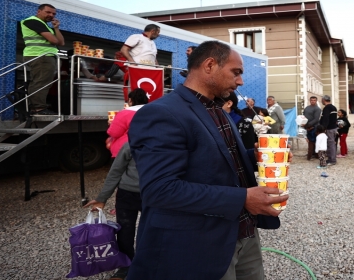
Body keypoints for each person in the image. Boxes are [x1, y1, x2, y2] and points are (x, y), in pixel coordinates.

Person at [126, 40, 287, 280]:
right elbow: (159, 190)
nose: (240, 81)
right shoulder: (162, 112)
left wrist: (263, 157)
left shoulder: (218, 110)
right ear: (210, 65)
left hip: (243, 232)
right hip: (200, 243)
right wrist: (243, 198)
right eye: (236, 72)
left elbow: (224, 157)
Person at [83, 142, 140, 280]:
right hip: (128, 194)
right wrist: (102, 198)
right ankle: (126, 264)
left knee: (150, 231)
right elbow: (115, 172)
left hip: (156, 194)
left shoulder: (168, 144)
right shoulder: (130, 146)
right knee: (125, 231)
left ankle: (147, 263)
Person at [21, 3, 66, 115]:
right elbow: (54, 41)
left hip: (44, 56)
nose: (51, 15)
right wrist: (53, 37)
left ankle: (37, 107)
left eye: (53, 14)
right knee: (41, 82)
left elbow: (61, 43)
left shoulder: (45, 26)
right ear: (39, 11)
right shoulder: (32, 21)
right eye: (48, 12)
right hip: (40, 56)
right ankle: (38, 109)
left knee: (42, 82)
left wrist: (56, 28)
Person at [107, 89, 148, 158]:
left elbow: (114, 133)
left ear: (130, 100)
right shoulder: (153, 111)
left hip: (126, 150)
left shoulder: (124, 113)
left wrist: (111, 124)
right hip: (148, 149)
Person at [320, 95, 338, 165]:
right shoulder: (334, 107)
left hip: (329, 128)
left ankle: (332, 160)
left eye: (322, 100)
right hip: (334, 128)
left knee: (330, 144)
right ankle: (331, 158)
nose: (322, 101)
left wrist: (323, 128)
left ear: (324, 100)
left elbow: (326, 119)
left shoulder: (327, 108)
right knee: (332, 144)